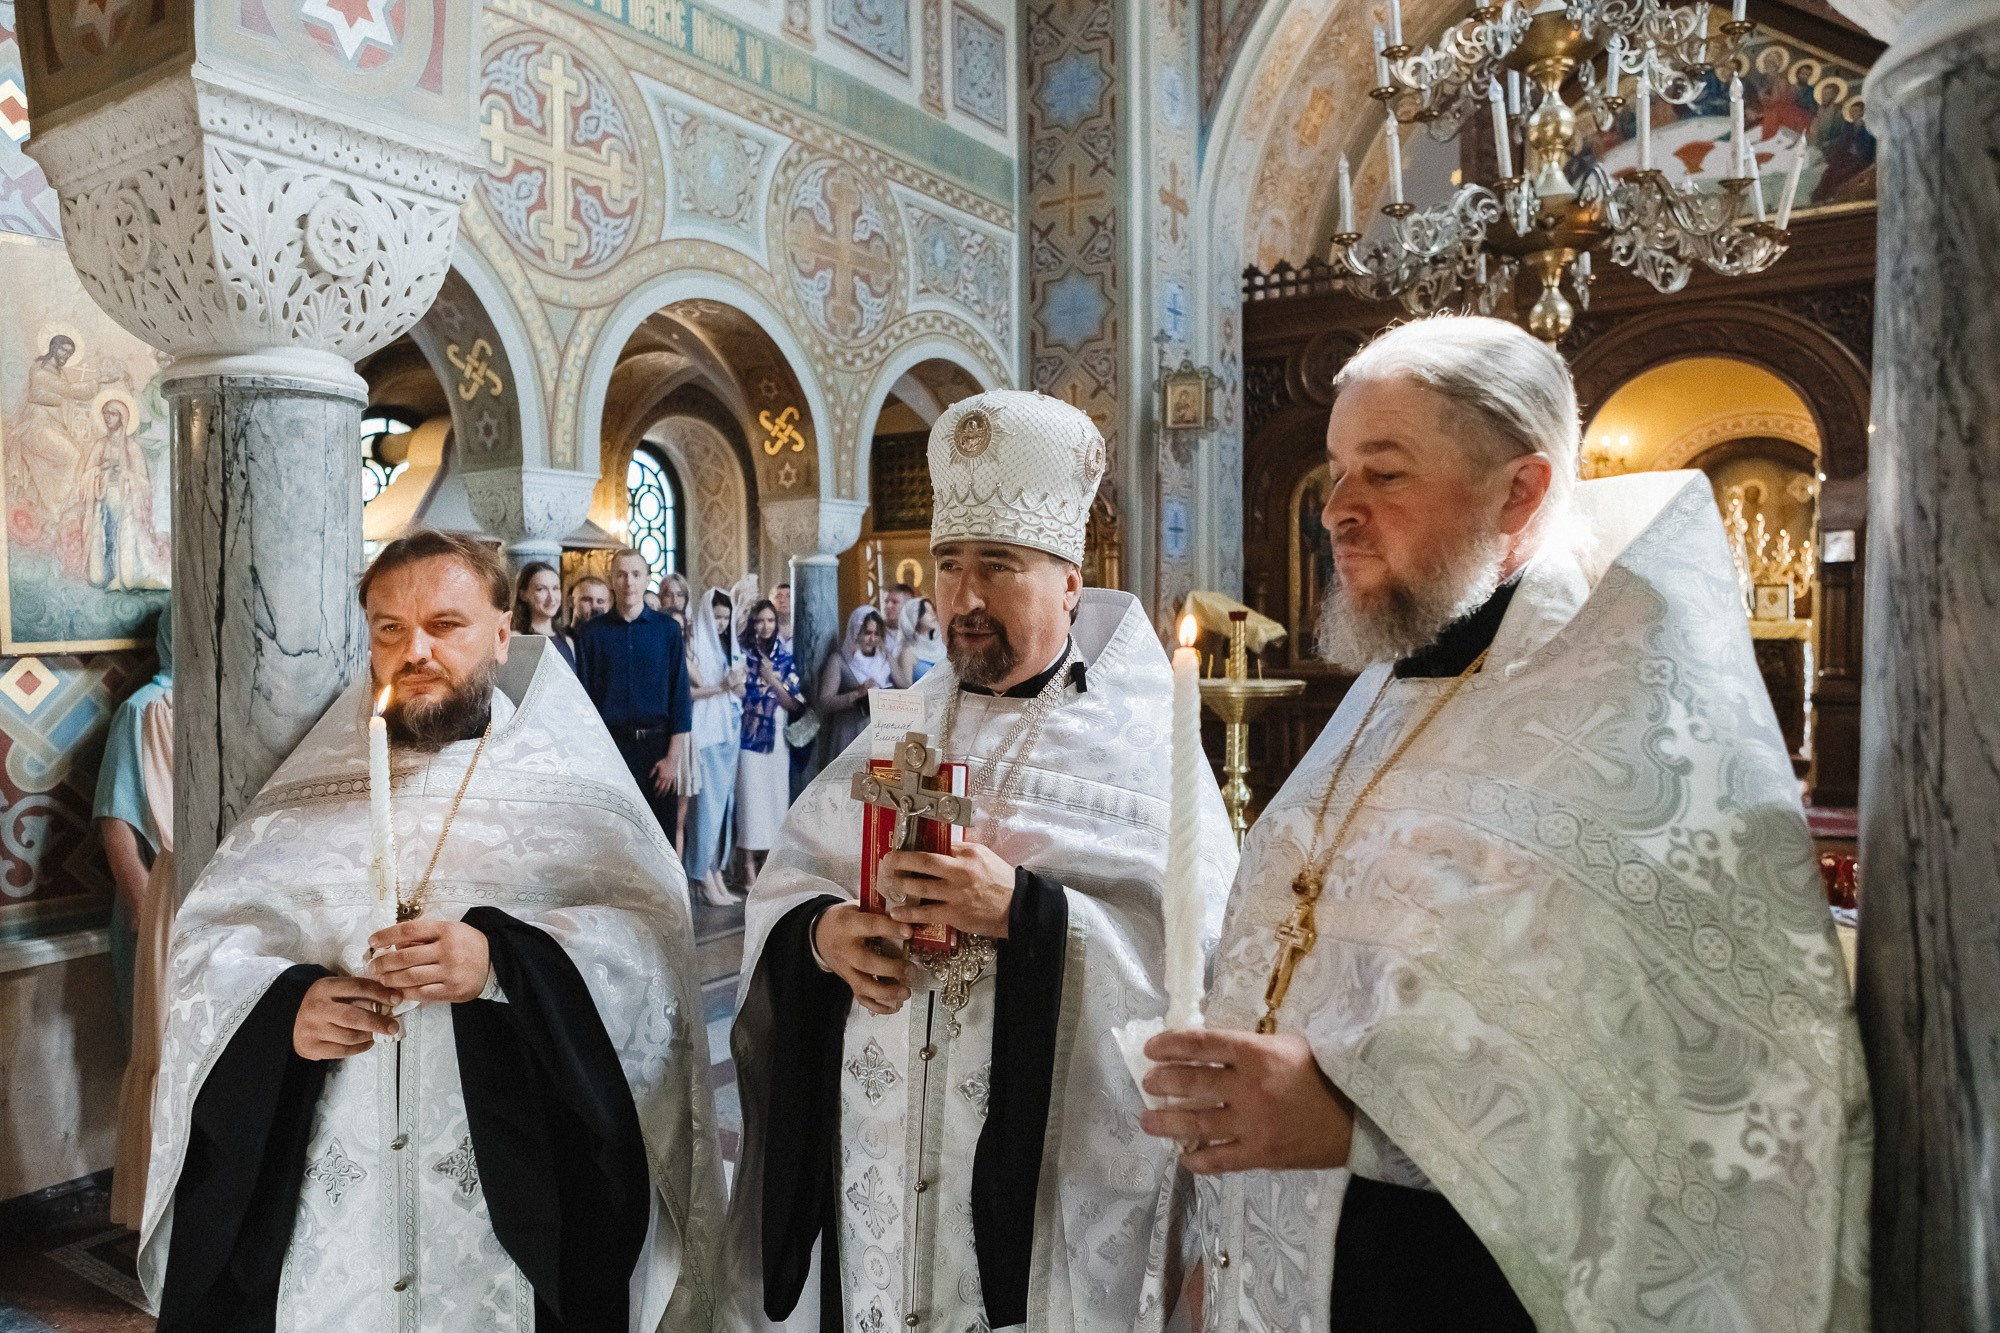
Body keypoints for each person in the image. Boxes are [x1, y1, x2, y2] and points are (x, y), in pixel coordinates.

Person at [1139, 316, 1871, 1331]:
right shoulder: (1392, 685)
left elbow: (1693, 1108)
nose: (1337, 511)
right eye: (1338, 470)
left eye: (1383, 474)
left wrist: (1358, 1123)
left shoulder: (1633, 737)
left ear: (1519, 490)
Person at [724, 389, 1237, 1333]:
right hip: (880, 1160)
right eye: (950, 565)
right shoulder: (908, 720)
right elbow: (795, 878)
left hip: (1046, 1198)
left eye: (997, 567)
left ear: (1071, 582)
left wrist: (1030, 912)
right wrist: (826, 933)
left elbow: (1200, 966)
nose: (960, 597)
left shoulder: (1142, 746)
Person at [139, 529, 725, 1332]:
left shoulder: (577, 795)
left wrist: (504, 963)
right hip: (333, 1221)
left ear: (501, 629)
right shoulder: (307, 791)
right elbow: (213, 947)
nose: (415, 648)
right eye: (389, 629)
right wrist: (284, 1012)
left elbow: (652, 949)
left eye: (444, 625)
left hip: (514, 1217)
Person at [96, 604, 173, 1227]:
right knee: (159, 1050)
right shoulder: (143, 709)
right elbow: (116, 823)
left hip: (203, 904)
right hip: (157, 905)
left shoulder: (218, 705)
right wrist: (148, 908)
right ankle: (152, 1210)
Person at [573, 549, 694, 849]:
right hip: (611, 749)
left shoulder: (668, 630)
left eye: (636, 574)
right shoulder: (591, 634)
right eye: (622, 574)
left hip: (658, 751)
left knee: (659, 842)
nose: (629, 582)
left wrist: (673, 759)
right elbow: (584, 703)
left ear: (647, 579)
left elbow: (680, 697)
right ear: (612, 579)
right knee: (614, 841)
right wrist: (595, 761)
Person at [733, 598, 801, 888]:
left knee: (774, 801)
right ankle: (747, 862)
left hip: (775, 738)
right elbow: (736, 694)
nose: (765, 626)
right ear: (752, 623)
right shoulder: (742, 654)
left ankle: (768, 862)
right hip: (746, 736)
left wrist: (771, 679)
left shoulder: (784, 658)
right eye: (760, 620)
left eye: (770, 621)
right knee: (750, 800)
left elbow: (794, 704)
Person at [687, 588, 746, 907]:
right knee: (706, 811)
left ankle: (716, 872)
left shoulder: (728, 645)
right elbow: (690, 692)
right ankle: (701, 875)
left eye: (726, 617)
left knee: (724, 808)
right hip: (706, 732)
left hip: (728, 730)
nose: (722, 623)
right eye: (717, 617)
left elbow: (737, 689)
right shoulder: (694, 643)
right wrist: (723, 687)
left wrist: (738, 685)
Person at [815, 606, 889, 763]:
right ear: (855, 632)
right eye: (868, 633)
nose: (872, 639)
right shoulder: (839, 660)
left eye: (877, 634)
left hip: (878, 733)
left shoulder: (884, 659)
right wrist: (856, 694)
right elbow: (824, 702)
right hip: (849, 733)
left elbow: (905, 685)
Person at [511, 560, 576, 671]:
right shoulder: (515, 638)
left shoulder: (568, 642)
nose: (551, 597)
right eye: (541, 589)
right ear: (523, 595)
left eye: (555, 588)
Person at [891, 595, 944, 687]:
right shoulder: (909, 651)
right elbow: (907, 688)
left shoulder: (943, 645)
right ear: (915, 618)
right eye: (927, 612)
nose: (933, 615)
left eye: (932, 610)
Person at [878, 580, 914, 660]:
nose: (888, 606)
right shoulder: (875, 631)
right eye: (886, 601)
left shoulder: (918, 633)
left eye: (895, 602)